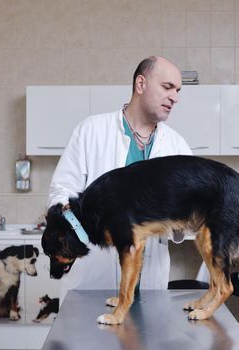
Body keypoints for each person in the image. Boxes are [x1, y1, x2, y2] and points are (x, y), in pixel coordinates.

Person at [47, 56, 192, 301]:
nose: (175, 97)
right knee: (90, 338)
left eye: (177, 90)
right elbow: (61, 191)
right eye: (167, 87)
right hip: (94, 280)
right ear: (141, 84)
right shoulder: (91, 131)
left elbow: (190, 212)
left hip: (149, 285)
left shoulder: (176, 145)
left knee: (145, 338)